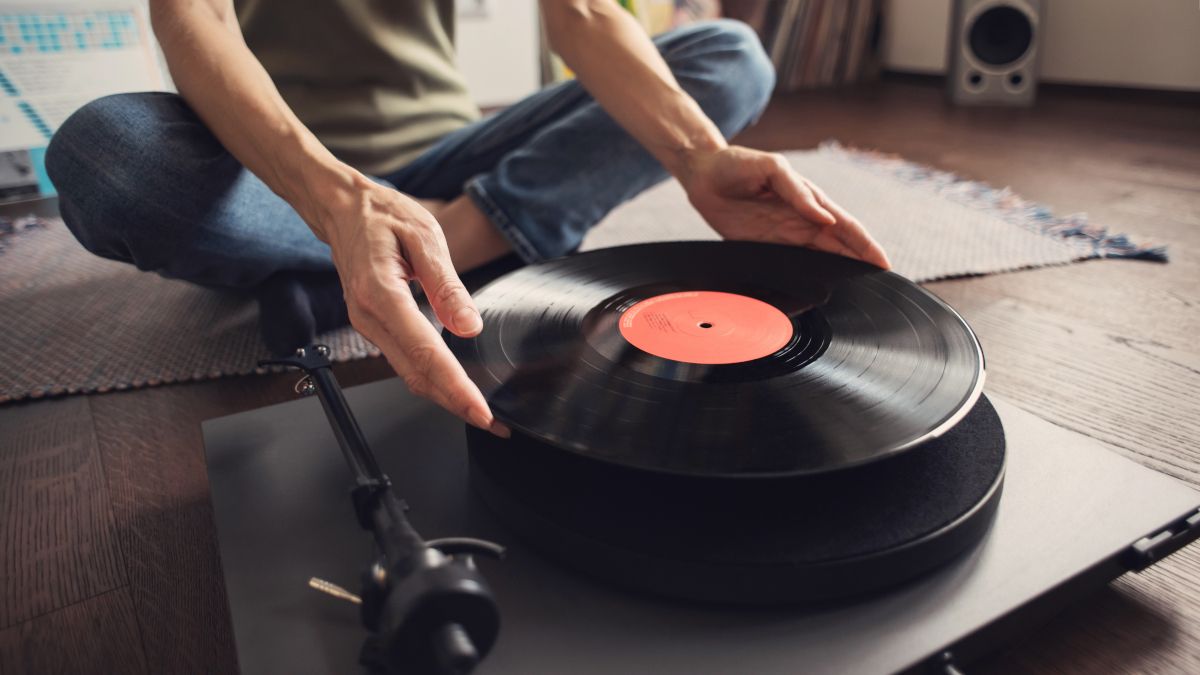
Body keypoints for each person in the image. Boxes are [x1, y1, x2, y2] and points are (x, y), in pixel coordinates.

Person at [46, 0, 889, 437]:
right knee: (105, 155)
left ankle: (439, 239)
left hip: (458, 156)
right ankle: (382, 244)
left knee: (727, 55)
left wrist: (697, 155)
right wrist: (337, 196)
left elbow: (585, 13)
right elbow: (196, 18)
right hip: (283, 170)